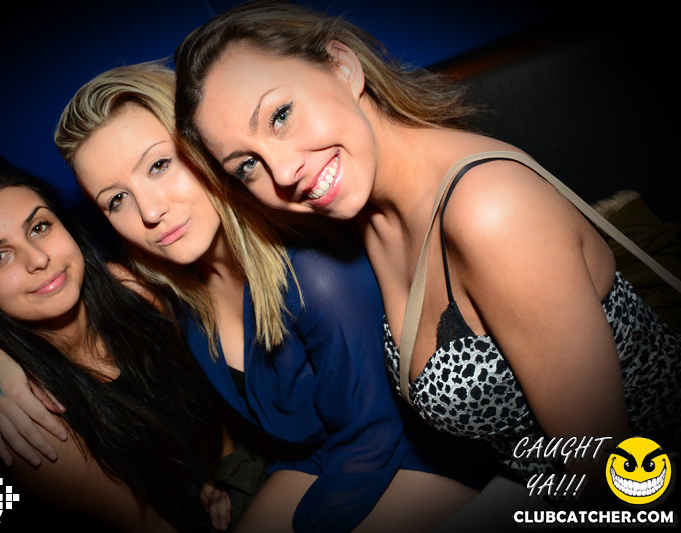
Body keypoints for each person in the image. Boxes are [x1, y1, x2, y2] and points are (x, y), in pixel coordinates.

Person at [173, 0, 681, 505]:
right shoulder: (367, 215)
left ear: (343, 67)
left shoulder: (490, 211)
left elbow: (605, 472)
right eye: (246, 165)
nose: (283, 172)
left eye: (281, 115)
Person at [0, 61, 483, 533]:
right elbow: (61, 289)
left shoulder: (314, 272)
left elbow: (372, 436)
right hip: (310, 458)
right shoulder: (169, 285)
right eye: (117, 199)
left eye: (159, 165)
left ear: (205, 147)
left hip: (401, 456)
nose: (149, 212)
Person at [0, 155, 226, 532]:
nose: (38, 259)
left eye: (39, 227)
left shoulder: (129, 287)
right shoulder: (32, 419)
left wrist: (223, 477)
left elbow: (212, 402)